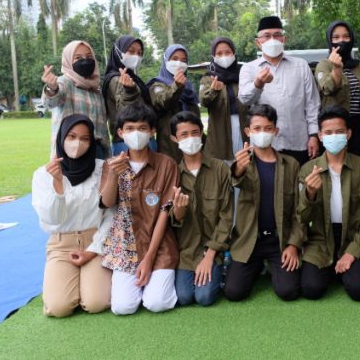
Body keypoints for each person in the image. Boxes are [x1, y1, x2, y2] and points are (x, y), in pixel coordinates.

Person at [100, 104, 180, 315]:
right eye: (130, 128)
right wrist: (114, 176)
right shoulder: (111, 165)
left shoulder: (167, 164)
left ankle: (154, 281)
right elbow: (107, 203)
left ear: (152, 131)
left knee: (157, 303)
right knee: (122, 307)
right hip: (126, 244)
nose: (136, 133)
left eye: (143, 128)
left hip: (159, 244)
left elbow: (165, 210)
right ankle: (143, 283)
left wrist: (149, 258)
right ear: (120, 133)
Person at [31, 114, 113, 317]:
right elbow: (52, 219)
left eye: (85, 139)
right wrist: (58, 183)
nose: (77, 143)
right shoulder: (43, 174)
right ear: (61, 138)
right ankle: (68, 286)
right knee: (58, 308)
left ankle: (86, 282)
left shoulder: (103, 169)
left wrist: (93, 249)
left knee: (97, 303)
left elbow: (111, 214)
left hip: (95, 241)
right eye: (72, 136)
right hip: (61, 245)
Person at [298, 105, 360, 301]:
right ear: (320, 135)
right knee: (311, 289)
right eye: (328, 132)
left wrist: (351, 253)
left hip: (353, 236)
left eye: (339, 132)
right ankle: (331, 268)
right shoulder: (309, 169)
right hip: (320, 239)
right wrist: (309, 193)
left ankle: (342, 266)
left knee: (359, 291)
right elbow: (301, 216)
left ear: (348, 134)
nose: (334, 137)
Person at [224, 104, 303, 302]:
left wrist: (293, 244)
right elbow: (236, 179)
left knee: (288, 291)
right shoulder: (242, 162)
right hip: (250, 240)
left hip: (279, 240)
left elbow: (299, 210)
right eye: (257, 129)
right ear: (247, 131)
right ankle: (256, 265)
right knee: (234, 292)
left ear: (275, 130)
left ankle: (274, 265)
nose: (262, 133)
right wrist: (239, 168)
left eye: (268, 128)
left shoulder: (290, 164)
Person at [168, 111, 233, 306]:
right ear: (174, 139)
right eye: (184, 135)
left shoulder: (220, 169)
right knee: (185, 297)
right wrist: (179, 210)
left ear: (202, 133)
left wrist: (210, 255)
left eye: (195, 133)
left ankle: (222, 267)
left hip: (214, 248)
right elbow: (173, 219)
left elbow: (227, 216)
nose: (191, 139)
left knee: (204, 298)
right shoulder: (173, 173)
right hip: (187, 251)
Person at [238, 15, 321, 166]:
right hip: (264, 142)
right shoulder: (249, 68)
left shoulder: (301, 66)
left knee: (298, 185)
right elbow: (244, 99)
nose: (272, 39)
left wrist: (314, 135)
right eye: (267, 36)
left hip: (298, 142)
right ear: (258, 42)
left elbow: (312, 104)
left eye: (277, 35)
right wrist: (258, 83)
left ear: (284, 39)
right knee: (267, 186)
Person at [41, 40, 110, 158]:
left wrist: (107, 154)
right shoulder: (65, 82)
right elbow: (50, 102)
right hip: (72, 151)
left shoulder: (96, 89)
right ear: (68, 61)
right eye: (78, 58)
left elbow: (103, 127)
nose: (85, 60)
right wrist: (52, 88)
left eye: (89, 56)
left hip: (97, 152)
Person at [315, 21, 360, 155]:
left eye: (346, 37)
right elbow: (328, 88)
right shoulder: (324, 65)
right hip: (334, 127)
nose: (342, 41)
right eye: (336, 37)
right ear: (329, 40)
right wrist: (337, 69)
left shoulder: (359, 67)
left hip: (358, 125)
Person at [101, 35, 155, 154]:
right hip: (128, 142)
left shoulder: (133, 78)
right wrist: (129, 91)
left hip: (143, 137)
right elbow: (126, 112)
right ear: (117, 52)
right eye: (130, 51)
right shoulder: (117, 79)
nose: (136, 56)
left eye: (139, 53)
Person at [148, 44, 200, 164]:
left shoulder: (189, 87)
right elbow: (164, 101)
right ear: (166, 60)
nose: (179, 64)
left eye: (183, 60)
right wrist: (176, 86)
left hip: (192, 139)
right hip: (169, 142)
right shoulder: (157, 85)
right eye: (175, 59)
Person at [199, 37, 247, 161]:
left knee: (245, 162)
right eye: (219, 54)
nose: (224, 56)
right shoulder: (208, 78)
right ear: (213, 56)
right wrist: (214, 91)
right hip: (220, 129)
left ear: (234, 54)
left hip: (244, 126)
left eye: (227, 52)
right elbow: (203, 101)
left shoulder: (243, 75)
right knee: (222, 165)